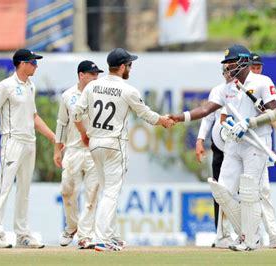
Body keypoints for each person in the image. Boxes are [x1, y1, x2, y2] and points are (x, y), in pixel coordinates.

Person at [172, 44, 276, 251]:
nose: (227, 67)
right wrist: (180, 117)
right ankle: (243, 234)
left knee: (250, 191)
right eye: (226, 64)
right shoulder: (226, 88)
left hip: (257, 142)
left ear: (244, 61)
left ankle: (251, 239)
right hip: (234, 144)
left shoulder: (263, 82)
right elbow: (206, 110)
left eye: (231, 63)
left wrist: (250, 122)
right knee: (224, 192)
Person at [72, 48, 175, 252]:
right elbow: (145, 113)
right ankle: (102, 239)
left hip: (95, 144)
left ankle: (109, 235)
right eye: (129, 65)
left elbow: (76, 113)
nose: (130, 69)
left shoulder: (92, 86)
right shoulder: (128, 90)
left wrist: (84, 132)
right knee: (111, 192)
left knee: (105, 190)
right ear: (121, 67)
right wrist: (162, 120)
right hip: (114, 144)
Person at [0, 49, 55, 248]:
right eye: (33, 63)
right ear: (22, 64)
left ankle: (23, 235)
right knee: (4, 188)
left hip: (30, 142)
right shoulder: (5, 86)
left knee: (24, 190)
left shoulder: (31, 86)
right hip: (12, 141)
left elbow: (34, 117)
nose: (36, 66)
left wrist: (54, 137)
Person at [54, 60, 103, 249]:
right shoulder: (68, 96)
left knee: (91, 194)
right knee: (67, 191)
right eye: (92, 74)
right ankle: (72, 226)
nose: (96, 78)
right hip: (73, 150)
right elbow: (61, 123)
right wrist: (57, 149)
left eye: (97, 74)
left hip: (93, 151)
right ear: (81, 75)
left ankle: (85, 236)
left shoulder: (99, 94)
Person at [195, 66, 233, 248]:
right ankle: (221, 235)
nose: (229, 74)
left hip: (239, 149)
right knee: (219, 191)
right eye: (226, 70)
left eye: (232, 70)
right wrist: (200, 139)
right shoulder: (218, 91)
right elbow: (208, 117)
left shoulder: (244, 92)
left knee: (241, 192)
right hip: (219, 148)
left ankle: (244, 233)